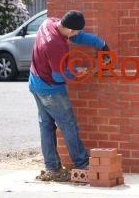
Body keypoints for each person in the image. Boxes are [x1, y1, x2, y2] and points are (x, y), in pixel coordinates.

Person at [29, 10, 109, 181]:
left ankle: (52, 168)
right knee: (68, 125)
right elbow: (60, 76)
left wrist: (101, 44)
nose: (78, 35)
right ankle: (82, 164)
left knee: (46, 126)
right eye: (77, 32)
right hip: (50, 89)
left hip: (35, 82)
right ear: (71, 30)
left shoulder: (50, 23)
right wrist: (82, 72)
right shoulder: (55, 45)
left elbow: (77, 37)